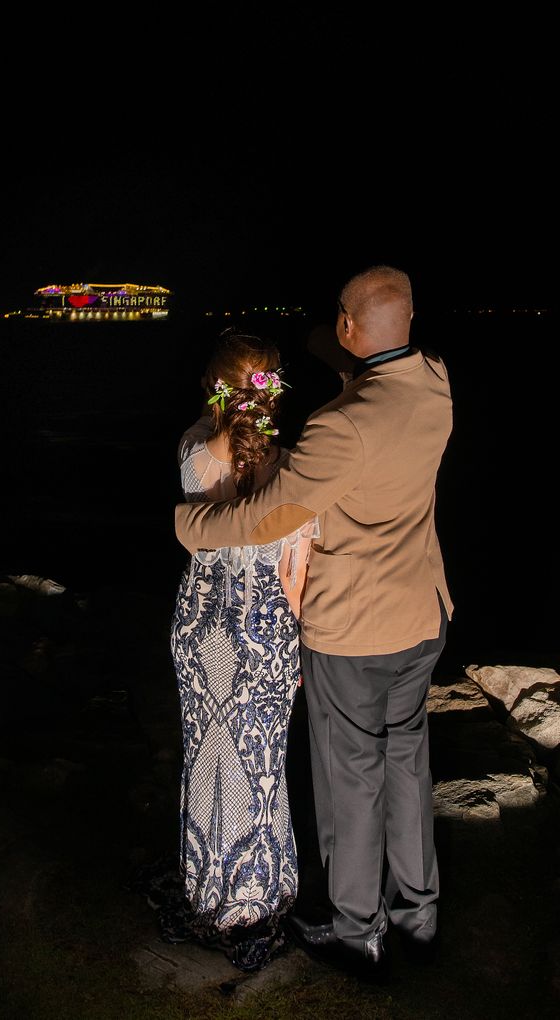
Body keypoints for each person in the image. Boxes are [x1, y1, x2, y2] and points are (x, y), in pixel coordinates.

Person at [174, 266, 453, 979]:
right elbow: (369, 362)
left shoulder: (341, 426)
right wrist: (340, 345)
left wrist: (191, 523)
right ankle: (417, 916)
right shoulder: (436, 384)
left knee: (350, 780)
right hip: (422, 615)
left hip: (357, 631)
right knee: (406, 764)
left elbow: (270, 514)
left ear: (349, 326)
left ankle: (358, 930)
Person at [168, 329, 318, 972]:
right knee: (262, 757)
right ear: (273, 389)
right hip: (265, 628)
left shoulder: (194, 452)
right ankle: (260, 891)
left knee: (207, 754)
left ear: (215, 385)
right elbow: (295, 573)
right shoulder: (295, 465)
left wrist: (223, 408)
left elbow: (199, 513)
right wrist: (304, 638)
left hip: (202, 628)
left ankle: (209, 887)